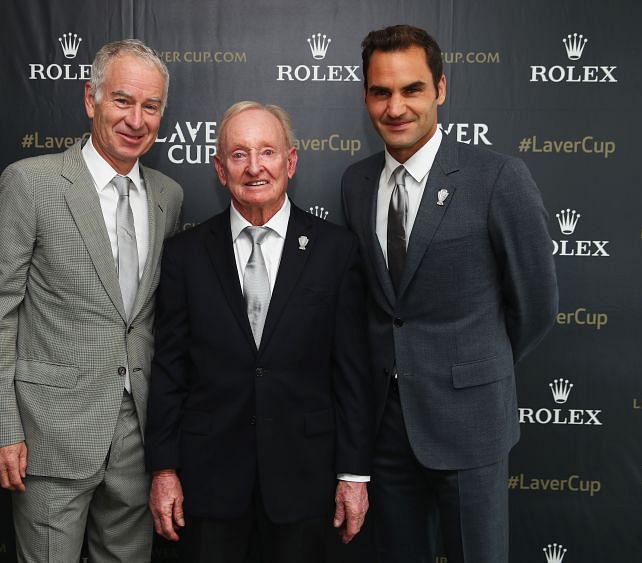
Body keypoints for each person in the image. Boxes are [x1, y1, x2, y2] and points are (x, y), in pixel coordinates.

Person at [341, 25, 558, 563]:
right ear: (365, 95)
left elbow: (535, 305)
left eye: (412, 89)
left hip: (472, 424)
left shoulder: (498, 178)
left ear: (440, 88)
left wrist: (476, 368)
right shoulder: (355, 183)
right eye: (381, 91)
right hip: (386, 431)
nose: (396, 107)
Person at [0, 39, 183, 562]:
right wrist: (1, 429)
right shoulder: (31, 183)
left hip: (137, 439)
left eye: (150, 106)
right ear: (91, 100)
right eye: (122, 101)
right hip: (49, 435)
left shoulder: (167, 195)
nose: (136, 119)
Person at [145, 101, 372, 563]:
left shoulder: (336, 250)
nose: (254, 168)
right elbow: (169, 369)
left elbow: (351, 372)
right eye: (239, 154)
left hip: (306, 484)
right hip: (209, 485)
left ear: (290, 161)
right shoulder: (185, 254)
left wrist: (355, 475)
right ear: (219, 168)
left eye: (267, 152)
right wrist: (164, 469)